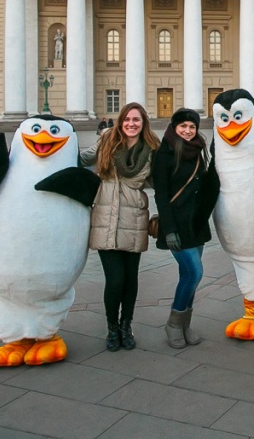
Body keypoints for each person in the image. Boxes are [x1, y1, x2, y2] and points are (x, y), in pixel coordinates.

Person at [79, 103, 160, 352]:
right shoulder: (106, 141)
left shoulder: (152, 150)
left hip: (134, 218)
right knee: (114, 280)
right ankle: (112, 327)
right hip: (106, 216)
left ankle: (127, 326)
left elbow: (163, 183)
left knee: (130, 279)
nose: (131, 124)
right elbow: (82, 159)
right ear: (120, 121)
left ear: (143, 123)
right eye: (127, 119)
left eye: (136, 120)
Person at [152, 108, 219, 348]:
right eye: (183, 126)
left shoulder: (199, 150)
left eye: (192, 127)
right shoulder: (164, 155)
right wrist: (168, 230)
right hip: (177, 226)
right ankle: (173, 322)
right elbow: (161, 195)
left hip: (196, 224)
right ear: (174, 127)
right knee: (194, 273)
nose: (188, 131)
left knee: (187, 276)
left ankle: (184, 324)